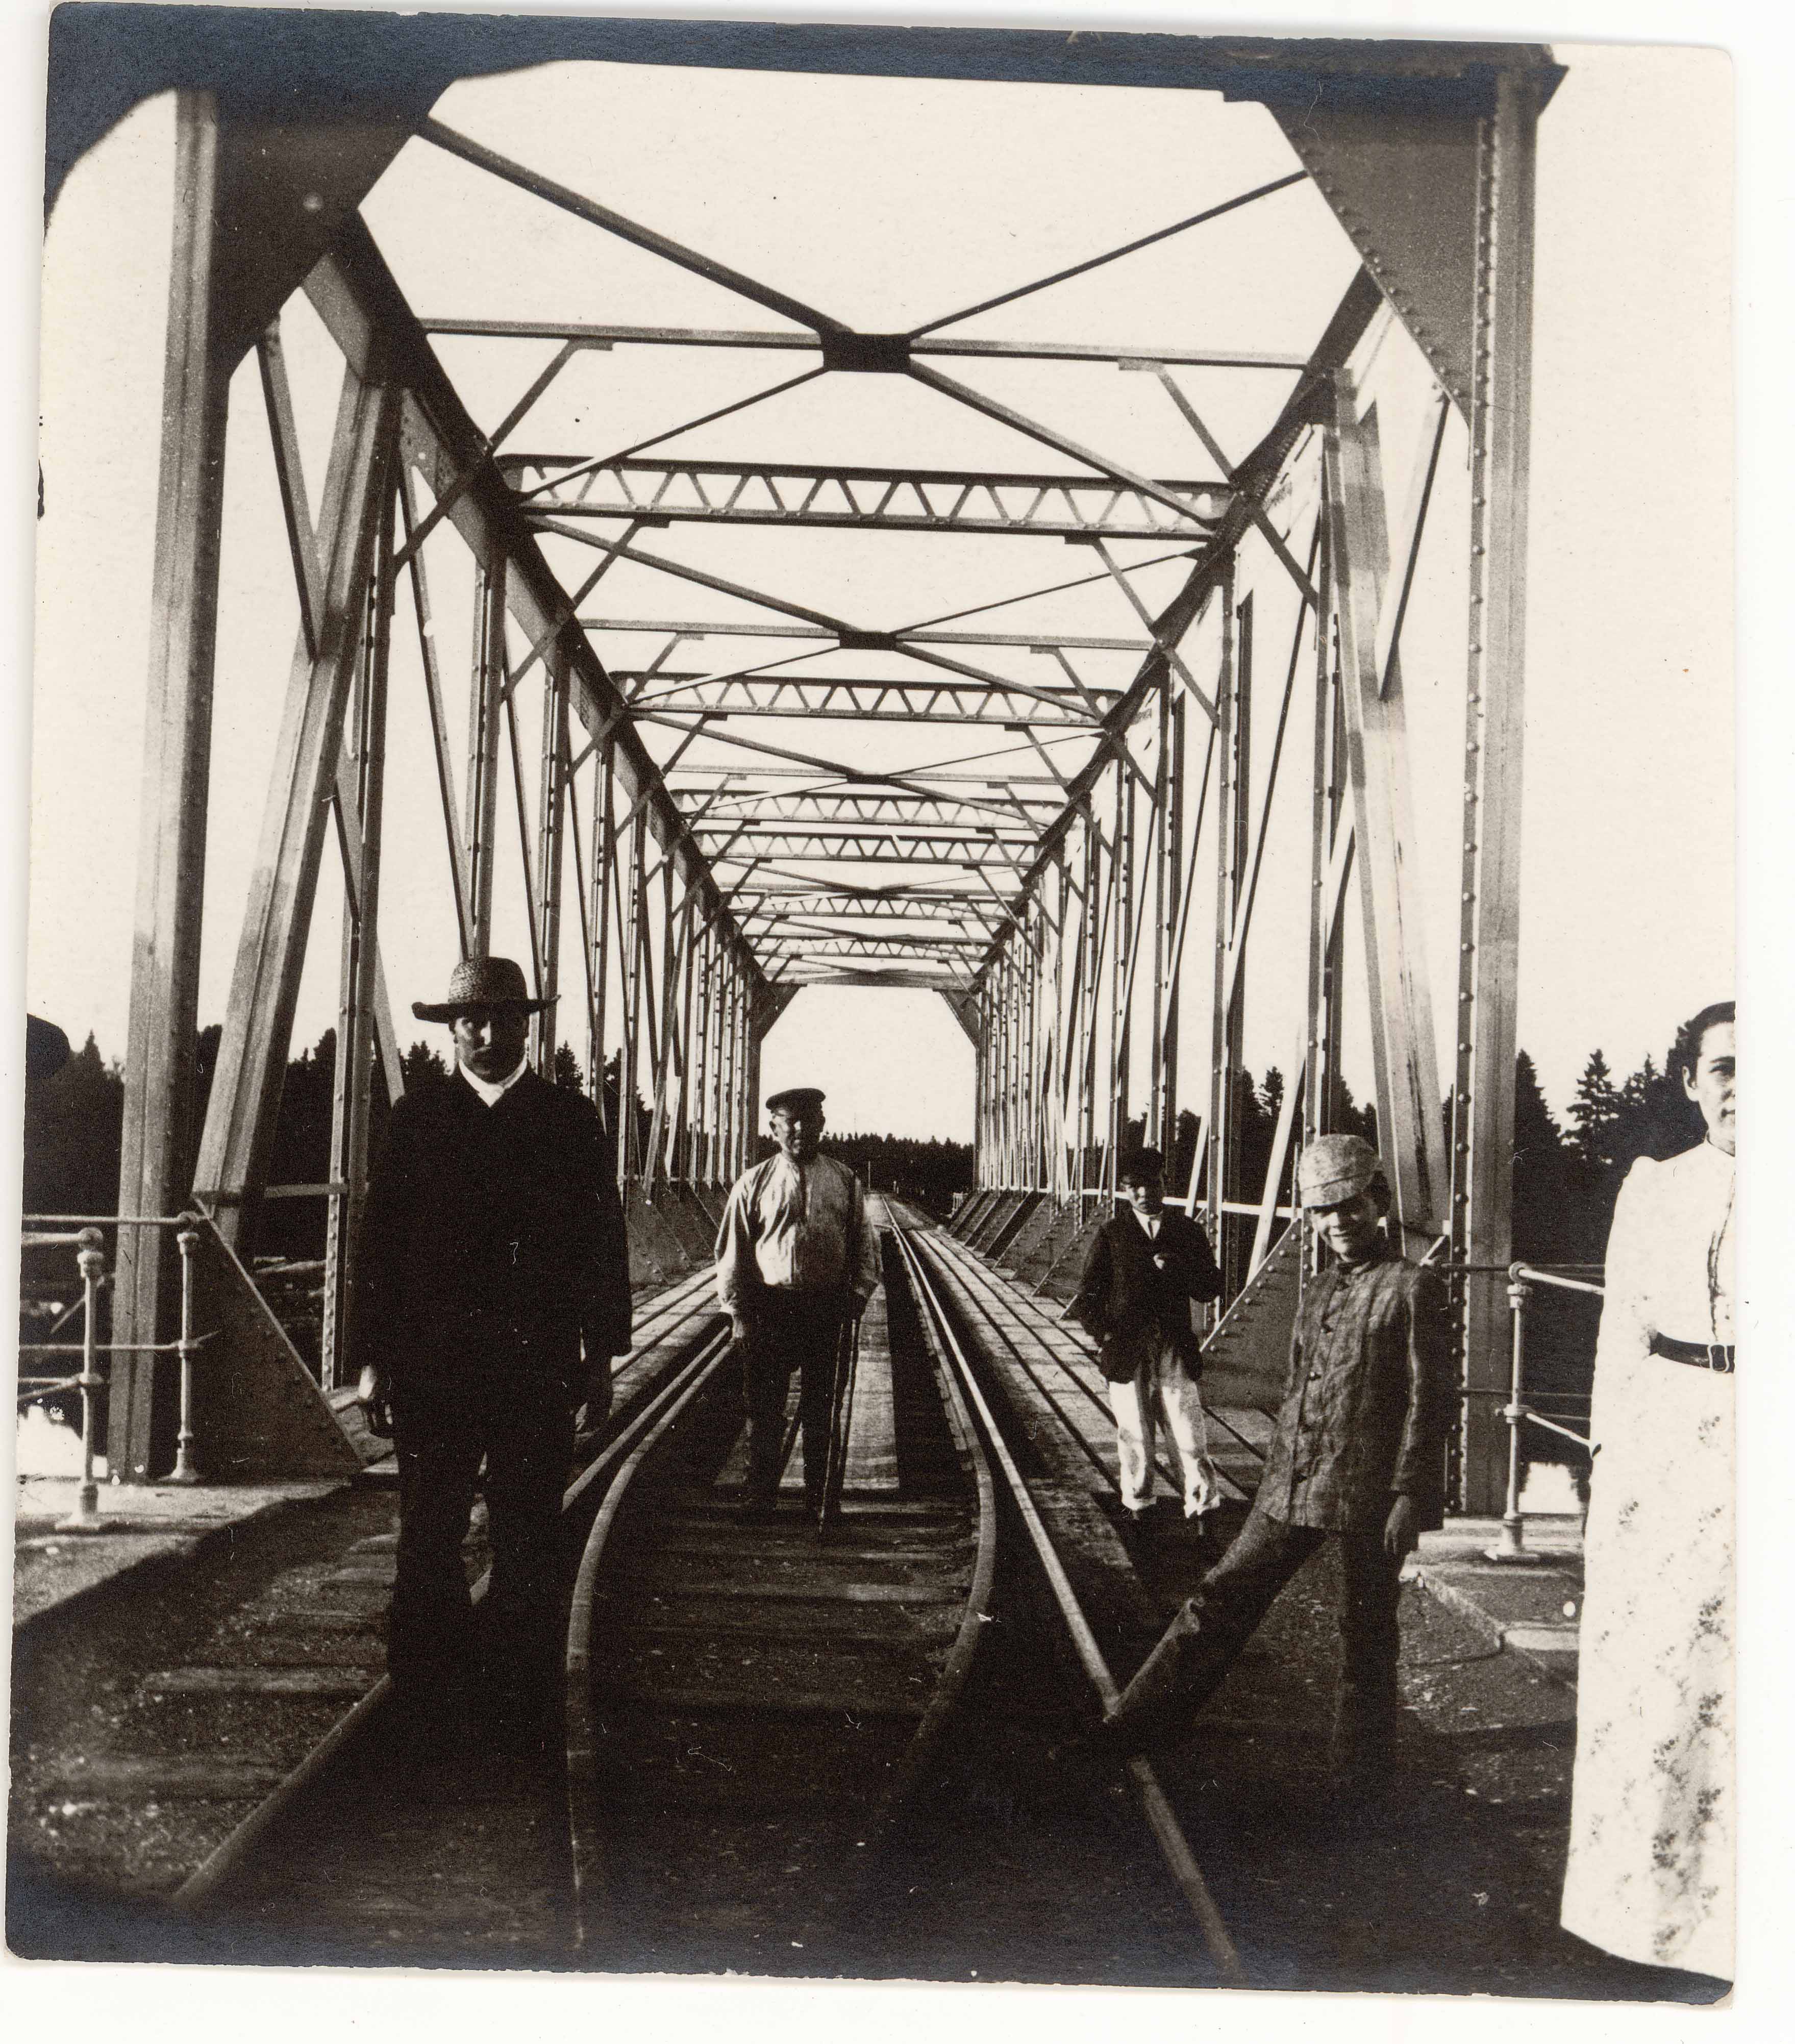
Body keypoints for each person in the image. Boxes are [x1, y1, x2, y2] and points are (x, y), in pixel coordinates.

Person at [1064, 1133, 1451, 1788]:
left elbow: (1429, 1401)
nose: (1337, 1223)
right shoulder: (1319, 1289)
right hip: (1290, 1483)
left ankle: (1360, 1784)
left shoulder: (1412, 1288)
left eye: (1351, 1206)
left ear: (1378, 1202)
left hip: (1366, 1492)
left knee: (1365, 1632)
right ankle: (1137, 1722)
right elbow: (1299, 1385)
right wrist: (1276, 1469)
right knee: (1220, 1596)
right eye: (1323, 1212)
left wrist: (1409, 1495)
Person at [353, 956, 632, 1760]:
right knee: (427, 1535)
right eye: (469, 1020)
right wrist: (372, 1357)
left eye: (500, 1019)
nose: (483, 1033)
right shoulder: (419, 1120)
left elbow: (599, 1247)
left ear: (525, 1026)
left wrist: (602, 1356)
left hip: (533, 1366)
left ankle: (516, 1712)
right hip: (434, 1366)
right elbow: (381, 1246)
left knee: (527, 1539)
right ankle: (426, 1709)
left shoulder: (568, 1120)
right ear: (451, 1028)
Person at [1560, 1001, 1735, 1984]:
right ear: (1689, 1080)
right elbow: (1617, 1331)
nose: (1740, 1085)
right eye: (1720, 1067)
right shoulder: (1654, 1186)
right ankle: (1641, 1920)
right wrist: (1606, 1461)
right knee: (1661, 1678)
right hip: (1665, 1441)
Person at [715, 1086, 880, 1518]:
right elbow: (732, 1252)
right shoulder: (754, 1183)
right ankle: (760, 1497)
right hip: (770, 1307)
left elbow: (865, 1246)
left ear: (824, 1125)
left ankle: (820, 1498)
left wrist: (859, 1294)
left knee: (822, 1409)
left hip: (826, 1308)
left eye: (813, 1119)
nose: (803, 1128)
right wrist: (738, 1313)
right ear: (775, 1129)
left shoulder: (845, 1181)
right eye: (792, 1120)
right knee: (765, 1409)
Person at [1068, 1148, 1224, 1528]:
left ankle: (1202, 1510)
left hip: (1174, 1343)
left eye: (1151, 1184)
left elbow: (1210, 1287)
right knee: (1134, 1430)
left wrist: (1181, 1267)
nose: (1143, 1193)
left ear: (1164, 1185)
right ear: (1124, 1192)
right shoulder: (1113, 1233)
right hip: (1126, 1345)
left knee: (1188, 1428)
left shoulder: (1187, 1230)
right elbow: (1088, 1295)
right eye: (1133, 1187)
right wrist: (1104, 1334)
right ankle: (1139, 1506)